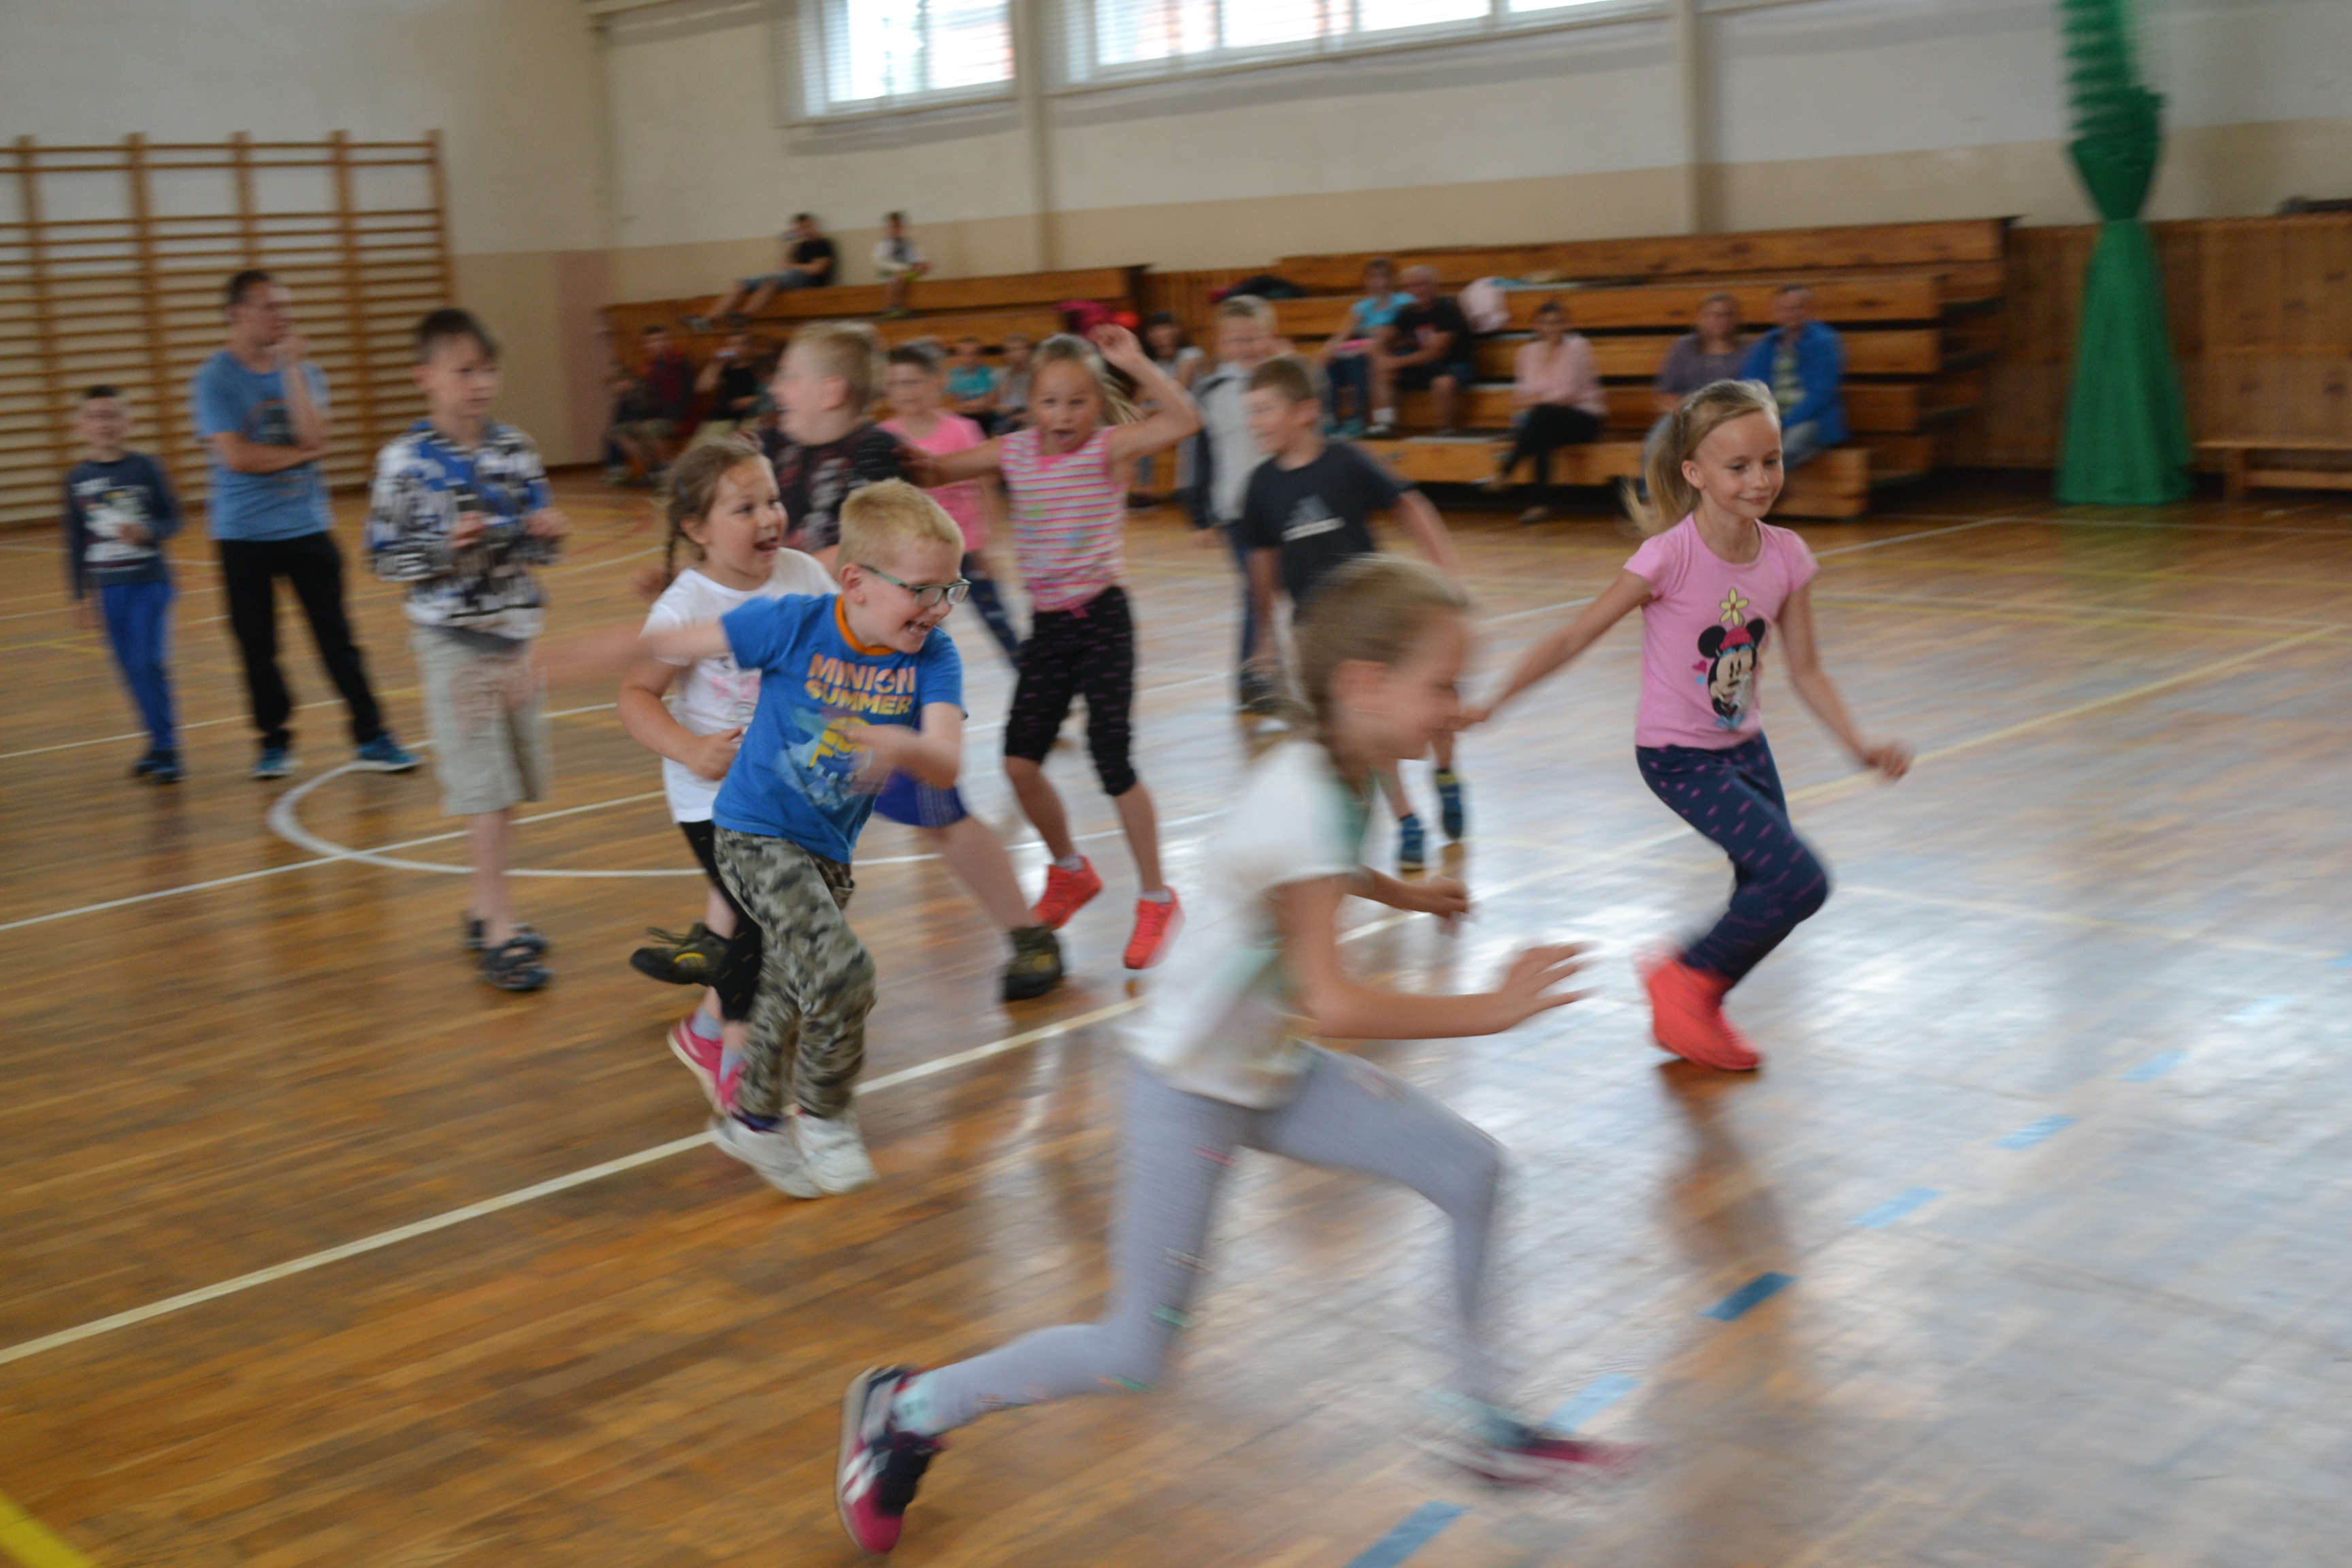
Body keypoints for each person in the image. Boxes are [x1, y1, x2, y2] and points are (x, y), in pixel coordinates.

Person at [832, 556, 1636, 1558]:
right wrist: (1493, 1010)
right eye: (1444, 685)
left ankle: (1488, 1425)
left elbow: (1319, 872)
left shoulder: (1344, 767)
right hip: (1188, 1087)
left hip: (1266, 1068)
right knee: (1134, 1353)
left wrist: (1406, 894)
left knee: (1474, 1171)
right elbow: (1331, 999)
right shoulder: (1307, 790)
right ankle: (908, 1410)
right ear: (1365, 686)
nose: (1458, 708)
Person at [1472, 380, 1910, 1071]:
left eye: (1770, 461)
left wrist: (1858, 744)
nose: (1759, 479)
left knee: (1762, 893)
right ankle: (1681, 981)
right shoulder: (1669, 556)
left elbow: (1807, 669)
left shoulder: (1787, 555)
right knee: (1801, 880)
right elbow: (1573, 637)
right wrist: (1495, 701)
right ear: (1695, 473)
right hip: (1678, 756)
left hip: (1747, 749)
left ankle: (1695, 1004)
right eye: (1738, 466)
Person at [621, 449, 1064, 1122]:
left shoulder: (802, 573)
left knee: (776, 930)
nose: (769, 517)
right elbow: (635, 694)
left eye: (773, 500)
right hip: (714, 797)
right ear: (698, 529)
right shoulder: (686, 607)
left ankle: (709, 1029)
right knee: (759, 927)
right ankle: (736, 1061)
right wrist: (688, 747)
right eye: (744, 509)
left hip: (802, 794)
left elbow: (861, 606)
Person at [622, 480, 970, 1198]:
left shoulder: (934, 656)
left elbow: (945, 762)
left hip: (829, 852)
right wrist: (567, 659)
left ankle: (750, 1122)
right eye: (923, 591)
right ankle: (825, 1113)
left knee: (783, 991)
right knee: (845, 974)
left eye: (950, 590)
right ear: (857, 583)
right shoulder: (794, 623)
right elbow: (672, 644)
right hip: (753, 833)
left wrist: (899, 744)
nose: (939, 607)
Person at [904, 327, 1200, 971]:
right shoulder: (1013, 451)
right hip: (1048, 628)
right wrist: (892, 449)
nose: (1063, 416)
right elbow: (937, 470)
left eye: (1077, 402)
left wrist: (1136, 362)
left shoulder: (1107, 447)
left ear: (1096, 404)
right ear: (1028, 403)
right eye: (1049, 402)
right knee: (1019, 764)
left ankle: (1157, 897)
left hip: (1103, 620)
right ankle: (1070, 870)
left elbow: (1184, 420)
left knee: (1111, 757)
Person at [365, 308, 568, 993]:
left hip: (514, 638)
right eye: (465, 371)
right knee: (485, 789)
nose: (481, 383)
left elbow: (539, 551)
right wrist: (441, 549)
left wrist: (547, 533)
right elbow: (382, 559)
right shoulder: (403, 462)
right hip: (452, 642)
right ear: (425, 377)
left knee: (507, 789)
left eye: (489, 370)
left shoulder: (516, 449)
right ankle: (501, 928)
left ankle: (485, 910)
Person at [1241, 354, 1467, 871]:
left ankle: (1448, 775)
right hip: (1323, 633)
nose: (1255, 423)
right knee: (1374, 725)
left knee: (1433, 703)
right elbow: (1262, 566)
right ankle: (1408, 821)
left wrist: (1448, 573)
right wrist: (1265, 637)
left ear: (1304, 411)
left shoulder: (1345, 461)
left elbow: (1409, 504)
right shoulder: (1260, 486)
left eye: (1264, 410)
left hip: (1377, 616)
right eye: (1251, 412)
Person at [191, 268, 416, 781]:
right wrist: (301, 454)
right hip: (242, 533)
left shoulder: (306, 372)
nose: (284, 316)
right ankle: (273, 742)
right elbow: (236, 458)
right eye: (271, 307)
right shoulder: (215, 379)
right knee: (257, 646)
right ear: (237, 315)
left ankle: (372, 735)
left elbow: (317, 439)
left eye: (286, 306)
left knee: (337, 640)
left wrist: (290, 368)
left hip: (307, 527)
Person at [62, 385, 184, 783]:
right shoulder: (77, 479)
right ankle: (155, 742)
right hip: (109, 589)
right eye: (95, 416)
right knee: (129, 669)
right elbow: (74, 541)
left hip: (149, 582)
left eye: (112, 415)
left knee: (148, 663)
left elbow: (174, 520)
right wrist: (80, 595)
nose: (105, 424)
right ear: (81, 425)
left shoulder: (146, 467)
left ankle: (168, 749)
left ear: (127, 422)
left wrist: (147, 532)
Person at [881, 342, 1021, 662]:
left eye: (913, 382)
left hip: (967, 550)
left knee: (1001, 625)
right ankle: (934, 690)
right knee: (925, 635)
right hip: (915, 561)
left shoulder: (963, 430)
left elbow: (986, 485)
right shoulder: (882, 438)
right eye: (896, 383)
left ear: (936, 383)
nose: (905, 391)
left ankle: (1032, 685)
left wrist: (988, 544)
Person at [1188, 295, 1281, 711]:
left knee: (1280, 591)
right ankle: (1254, 678)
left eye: (1254, 337)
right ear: (1221, 345)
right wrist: (1200, 515)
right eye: (1237, 340)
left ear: (1270, 338)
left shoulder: (1283, 386)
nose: (1247, 347)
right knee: (1256, 592)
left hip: (1285, 506)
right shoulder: (1210, 392)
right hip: (1237, 512)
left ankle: (1270, 671)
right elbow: (1201, 456)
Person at [760, 321, 911, 563]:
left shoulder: (876, 452)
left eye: (788, 377)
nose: (775, 389)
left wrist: (778, 576)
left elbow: (868, 547)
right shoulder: (789, 453)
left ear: (831, 393)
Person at [1486, 299, 1607, 524]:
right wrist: (1540, 400)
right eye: (1546, 323)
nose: (1552, 328)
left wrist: (1537, 400)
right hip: (1547, 420)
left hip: (1584, 418)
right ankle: (1539, 505)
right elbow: (1520, 396)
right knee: (1542, 432)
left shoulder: (1577, 349)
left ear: (1566, 325)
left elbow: (1566, 395)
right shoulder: (1526, 353)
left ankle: (1507, 471)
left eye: (1558, 322)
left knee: (1542, 417)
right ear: (1537, 326)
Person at [1736, 285, 1846, 469]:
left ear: (1808, 310)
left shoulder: (1824, 342)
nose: (1791, 314)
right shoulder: (1765, 345)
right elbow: (1750, 387)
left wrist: (1785, 424)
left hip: (1811, 421)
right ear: (1774, 314)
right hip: (1771, 420)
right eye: (1784, 309)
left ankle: (1767, 483)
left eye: (1797, 308)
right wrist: (1766, 421)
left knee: (1783, 450)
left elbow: (1822, 394)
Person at [1375, 265, 1477, 437]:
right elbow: (1385, 337)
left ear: (1432, 286)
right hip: (1423, 367)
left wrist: (1394, 362)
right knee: (1384, 373)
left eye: (1419, 285)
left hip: (1454, 365)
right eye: (1408, 287)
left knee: (1443, 382)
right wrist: (1380, 352)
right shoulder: (1407, 313)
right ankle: (1385, 424)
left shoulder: (1446, 310)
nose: (1414, 291)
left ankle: (1449, 431)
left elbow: (1435, 353)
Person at [695, 213, 837, 327]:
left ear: (814, 225)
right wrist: (788, 244)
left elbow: (817, 270)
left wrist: (795, 267)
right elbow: (782, 267)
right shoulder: (800, 247)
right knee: (740, 283)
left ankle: (744, 316)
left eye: (806, 227)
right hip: (789, 277)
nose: (804, 231)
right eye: (800, 229)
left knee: (772, 281)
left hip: (809, 283)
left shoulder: (824, 244)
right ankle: (709, 319)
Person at [1318, 257, 1408, 436]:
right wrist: (1328, 349)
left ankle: (1361, 419)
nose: (1379, 282)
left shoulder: (1403, 301)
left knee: (1363, 361)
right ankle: (1330, 419)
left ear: (1392, 279)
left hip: (1393, 352)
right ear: (1366, 281)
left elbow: (1397, 333)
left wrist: (1372, 338)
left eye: (1384, 276)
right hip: (1365, 351)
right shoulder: (1361, 308)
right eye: (1373, 277)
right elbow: (1341, 335)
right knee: (1331, 361)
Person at [609, 324, 695, 483]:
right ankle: (649, 471)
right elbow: (643, 400)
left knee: (650, 428)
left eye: (660, 340)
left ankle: (664, 470)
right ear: (645, 345)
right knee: (619, 431)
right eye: (651, 341)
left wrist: (675, 418)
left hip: (678, 415)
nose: (656, 344)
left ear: (668, 342)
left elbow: (687, 394)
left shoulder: (680, 362)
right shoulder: (645, 368)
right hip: (651, 415)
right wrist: (628, 389)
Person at [1133, 312, 1204, 504]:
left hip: (1198, 414)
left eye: (1165, 328)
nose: (1161, 334)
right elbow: (1138, 401)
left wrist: (1151, 400)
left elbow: (1179, 391)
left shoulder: (1191, 355)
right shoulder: (1154, 364)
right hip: (1170, 415)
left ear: (1176, 331)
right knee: (1141, 427)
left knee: (1188, 426)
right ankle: (1147, 489)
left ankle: (1186, 487)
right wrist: (1148, 403)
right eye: (1156, 330)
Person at [691, 330, 764, 448]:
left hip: (750, 418)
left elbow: (770, 394)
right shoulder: (725, 368)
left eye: (741, 344)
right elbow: (702, 387)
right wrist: (716, 363)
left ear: (749, 347)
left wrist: (752, 400)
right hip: (723, 417)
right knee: (700, 448)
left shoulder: (758, 367)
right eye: (732, 345)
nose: (736, 348)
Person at [872, 210, 929, 318]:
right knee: (898, 278)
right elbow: (881, 262)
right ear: (887, 228)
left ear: (903, 228)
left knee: (924, 267)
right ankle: (892, 307)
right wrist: (903, 268)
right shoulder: (883, 245)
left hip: (907, 273)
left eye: (898, 226)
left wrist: (921, 265)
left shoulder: (909, 244)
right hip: (888, 274)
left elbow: (918, 259)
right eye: (892, 226)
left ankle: (904, 307)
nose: (895, 229)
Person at [943, 337, 999, 433]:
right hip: (959, 420)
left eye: (973, 354)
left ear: (980, 356)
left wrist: (963, 405)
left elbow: (989, 405)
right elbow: (950, 406)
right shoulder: (951, 376)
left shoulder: (990, 374)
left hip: (985, 420)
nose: (969, 358)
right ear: (957, 356)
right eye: (963, 354)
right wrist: (978, 403)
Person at [995, 332, 1034, 431]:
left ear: (1028, 351)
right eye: (1011, 350)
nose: (1016, 354)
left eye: (1020, 349)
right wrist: (999, 408)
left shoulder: (1037, 374)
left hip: (1029, 414)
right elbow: (994, 404)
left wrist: (1024, 416)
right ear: (1005, 355)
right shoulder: (1000, 374)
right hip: (1007, 415)